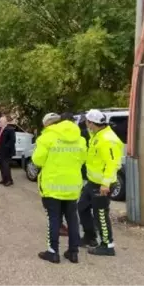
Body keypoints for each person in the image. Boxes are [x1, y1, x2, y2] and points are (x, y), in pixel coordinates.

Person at [32, 112, 87, 264]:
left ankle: (53, 252)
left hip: (52, 185)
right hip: (72, 186)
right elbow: (83, 159)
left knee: (54, 218)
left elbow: (37, 160)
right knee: (72, 219)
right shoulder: (80, 139)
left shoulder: (47, 137)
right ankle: (73, 252)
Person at [78, 109, 123, 256]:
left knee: (101, 214)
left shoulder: (107, 139)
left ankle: (107, 245)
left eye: (86, 121)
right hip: (92, 182)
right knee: (82, 207)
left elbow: (112, 164)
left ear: (91, 123)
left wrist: (106, 184)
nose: (85, 124)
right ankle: (90, 237)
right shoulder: (97, 135)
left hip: (102, 184)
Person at [0, 115, 16, 186]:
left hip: (7, 152)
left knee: (6, 166)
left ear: (5, 122)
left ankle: (9, 181)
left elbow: (12, 141)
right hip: (0, 151)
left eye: (0, 121)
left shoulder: (10, 129)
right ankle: (4, 179)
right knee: (1, 166)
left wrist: (5, 148)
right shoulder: (1, 129)